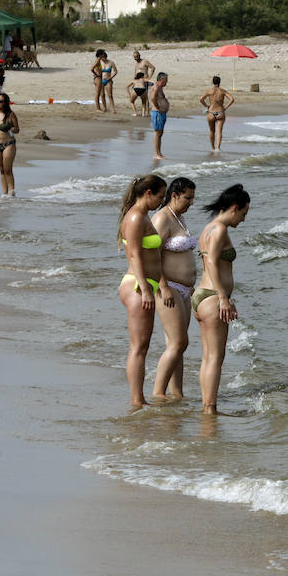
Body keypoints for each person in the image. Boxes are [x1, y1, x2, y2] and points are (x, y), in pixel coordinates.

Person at [192, 184, 250, 414]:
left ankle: (207, 404)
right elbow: (212, 263)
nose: (243, 220)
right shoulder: (219, 230)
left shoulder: (208, 228)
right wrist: (223, 298)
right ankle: (210, 409)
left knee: (209, 357)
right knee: (215, 357)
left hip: (201, 297)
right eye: (244, 214)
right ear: (234, 208)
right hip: (213, 299)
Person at [118, 174, 168, 409]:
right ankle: (136, 400)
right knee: (138, 346)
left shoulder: (141, 215)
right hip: (138, 285)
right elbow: (135, 255)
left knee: (142, 345)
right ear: (148, 193)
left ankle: (139, 399)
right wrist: (146, 289)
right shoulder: (137, 217)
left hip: (144, 284)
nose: (161, 201)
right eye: (160, 196)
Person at [151, 176, 197, 403]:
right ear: (175, 195)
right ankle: (158, 393)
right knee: (179, 342)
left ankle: (176, 393)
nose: (192, 203)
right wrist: (163, 286)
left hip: (185, 289)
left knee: (177, 345)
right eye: (188, 198)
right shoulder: (162, 219)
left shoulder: (179, 218)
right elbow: (152, 255)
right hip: (169, 288)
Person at [199, 75, 234, 151]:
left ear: (213, 82)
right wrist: (225, 107)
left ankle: (212, 148)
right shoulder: (222, 91)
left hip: (211, 112)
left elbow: (201, 99)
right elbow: (232, 99)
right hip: (220, 112)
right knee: (219, 131)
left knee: (212, 131)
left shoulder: (209, 91)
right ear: (219, 82)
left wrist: (207, 106)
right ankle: (218, 148)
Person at [148, 72, 170, 160]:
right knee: (157, 133)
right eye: (166, 80)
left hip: (161, 113)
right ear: (162, 79)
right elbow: (152, 98)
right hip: (157, 113)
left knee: (160, 133)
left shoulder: (160, 87)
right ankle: (156, 153)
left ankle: (159, 153)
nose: (167, 82)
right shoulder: (156, 87)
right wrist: (158, 108)